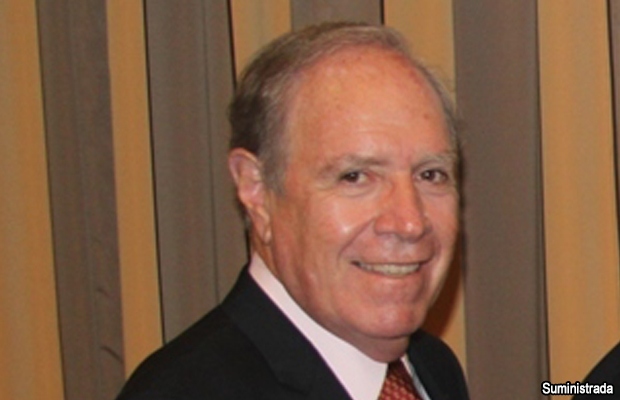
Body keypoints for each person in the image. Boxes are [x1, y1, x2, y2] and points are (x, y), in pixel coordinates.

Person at [116, 22, 469, 400]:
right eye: (354, 177)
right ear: (256, 189)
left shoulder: (431, 368)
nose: (410, 222)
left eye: (430, 175)